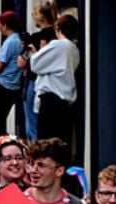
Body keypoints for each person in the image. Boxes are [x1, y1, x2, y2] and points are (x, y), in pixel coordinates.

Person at [31, 13, 81, 143]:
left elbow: (35, 64)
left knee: (47, 143)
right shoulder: (74, 50)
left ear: (58, 28)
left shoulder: (58, 45)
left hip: (51, 101)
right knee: (61, 142)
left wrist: (39, 52)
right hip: (65, 102)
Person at [18, 0, 58, 140]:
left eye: (34, 13)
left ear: (41, 16)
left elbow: (21, 63)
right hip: (55, 84)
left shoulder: (36, 37)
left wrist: (27, 51)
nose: (32, 15)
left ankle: (35, 154)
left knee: (32, 124)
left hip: (35, 82)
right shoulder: (58, 37)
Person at [0, 11, 25, 139]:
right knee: (1, 120)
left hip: (1, 86)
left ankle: (0, 148)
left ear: (5, 25)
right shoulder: (20, 40)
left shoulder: (9, 42)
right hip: (14, 86)